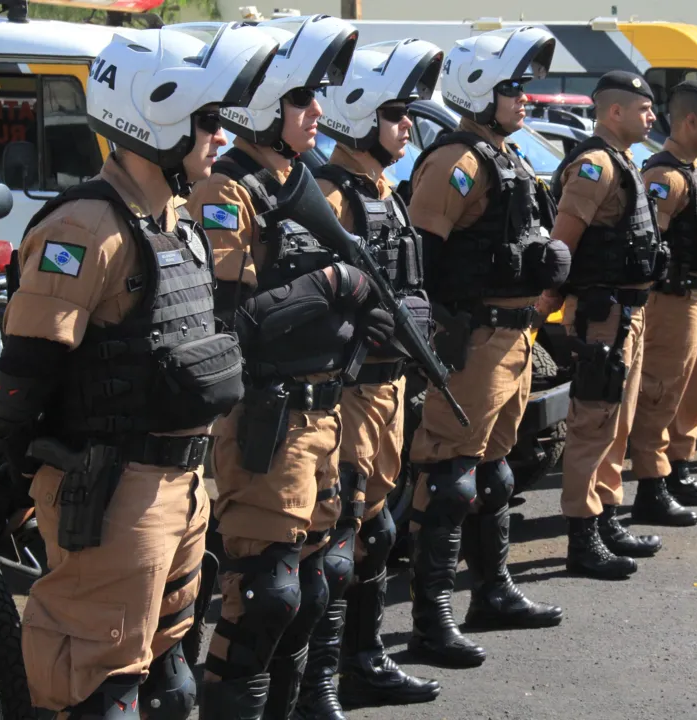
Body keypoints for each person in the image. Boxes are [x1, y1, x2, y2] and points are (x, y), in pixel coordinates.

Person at [0, 25, 278, 719]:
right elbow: (29, 364)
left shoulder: (174, 219)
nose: (220, 136)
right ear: (155, 118)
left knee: (169, 686)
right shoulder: (85, 226)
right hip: (115, 494)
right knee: (95, 689)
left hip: (182, 486)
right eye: (207, 120)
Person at [183, 17, 390, 720]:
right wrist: (327, 288)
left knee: (318, 583)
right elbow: (228, 319)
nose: (317, 111)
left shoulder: (302, 182)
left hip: (325, 413)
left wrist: (364, 318)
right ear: (264, 105)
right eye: (301, 99)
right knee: (265, 595)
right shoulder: (226, 191)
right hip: (267, 419)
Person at [405, 26, 566, 668]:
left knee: (495, 473)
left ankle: (492, 591)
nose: (525, 98)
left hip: (513, 336)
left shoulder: (506, 156)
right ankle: (431, 618)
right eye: (513, 88)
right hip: (472, 339)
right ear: (479, 91)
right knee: (450, 478)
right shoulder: (457, 161)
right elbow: (420, 259)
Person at [295, 39, 446, 717]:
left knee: (379, 530)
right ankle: (320, 682)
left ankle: (366, 658)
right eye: (393, 114)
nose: (406, 125)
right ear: (359, 116)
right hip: (350, 390)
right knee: (341, 536)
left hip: (390, 385)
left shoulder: (385, 192)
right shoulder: (330, 196)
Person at [546, 70, 671, 578]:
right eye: (644, 108)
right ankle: (582, 536)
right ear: (614, 111)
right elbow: (562, 245)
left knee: (617, 422)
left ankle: (606, 516)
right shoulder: (595, 165)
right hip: (601, 315)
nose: (652, 116)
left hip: (627, 311)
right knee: (593, 423)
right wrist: (547, 307)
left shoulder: (623, 161)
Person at [627, 80, 697, 515]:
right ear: (690, 121)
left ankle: (677, 471)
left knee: (688, 393)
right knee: (659, 392)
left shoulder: (693, 170)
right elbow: (649, 246)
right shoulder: (664, 177)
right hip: (673, 302)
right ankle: (651, 487)